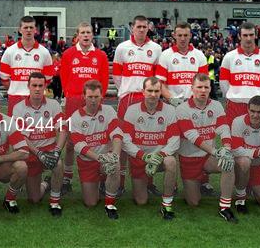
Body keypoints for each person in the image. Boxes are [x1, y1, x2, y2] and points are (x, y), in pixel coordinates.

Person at [176, 73, 237, 222]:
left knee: (228, 164)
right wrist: (216, 152)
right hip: (189, 158)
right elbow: (193, 137)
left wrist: (226, 148)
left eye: (206, 87)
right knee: (194, 202)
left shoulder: (216, 105)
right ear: (192, 88)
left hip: (208, 157)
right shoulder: (182, 109)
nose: (203, 90)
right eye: (199, 87)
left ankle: (225, 207)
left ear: (210, 89)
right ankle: (194, 184)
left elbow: (223, 128)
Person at [113, 15, 162, 195]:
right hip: (127, 98)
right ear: (132, 28)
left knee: (148, 139)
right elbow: (117, 76)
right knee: (123, 140)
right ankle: (120, 183)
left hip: (148, 99)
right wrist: (127, 90)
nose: (141, 30)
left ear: (148, 28)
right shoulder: (122, 47)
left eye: (144, 27)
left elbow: (157, 78)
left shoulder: (156, 49)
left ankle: (148, 182)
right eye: (138, 27)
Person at [60, 22, 109, 194]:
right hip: (74, 100)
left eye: (88, 32)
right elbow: (64, 76)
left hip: (94, 101)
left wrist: (97, 97)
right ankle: (67, 178)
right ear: (77, 35)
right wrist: (70, 93)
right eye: (83, 33)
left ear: (92, 35)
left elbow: (104, 78)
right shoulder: (68, 54)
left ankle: (103, 177)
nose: (86, 35)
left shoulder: (101, 55)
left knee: (98, 139)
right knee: (71, 142)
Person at [121, 77, 179, 220]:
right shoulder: (132, 110)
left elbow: (174, 140)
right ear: (143, 91)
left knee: (171, 161)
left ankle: (166, 204)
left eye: (156, 91)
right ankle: (143, 184)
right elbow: (126, 140)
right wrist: (144, 156)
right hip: (140, 159)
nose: (153, 94)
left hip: (160, 158)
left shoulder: (170, 110)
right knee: (141, 202)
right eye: (150, 91)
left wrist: (159, 155)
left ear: (161, 92)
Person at [11, 72, 67, 216]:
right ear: (28, 86)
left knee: (58, 164)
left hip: (49, 150)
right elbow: (22, 137)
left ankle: (55, 202)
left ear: (45, 87)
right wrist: (38, 153)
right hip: (31, 154)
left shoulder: (53, 104)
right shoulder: (19, 108)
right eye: (34, 85)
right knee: (34, 199)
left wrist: (57, 150)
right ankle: (45, 183)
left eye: (40, 86)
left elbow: (63, 129)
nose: (37, 89)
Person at [70, 80, 122, 219]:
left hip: (106, 158)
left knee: (115, 164)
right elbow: (79, 145)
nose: (93, 100)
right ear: (84, 96)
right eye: (90, 97)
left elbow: (116, 134)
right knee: (91, 203)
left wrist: (115, 155)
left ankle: (110, 204)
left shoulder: (109, 110)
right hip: (88, 162)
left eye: (96, 97)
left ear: (101, 97)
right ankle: (101, 182)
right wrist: (99, 158)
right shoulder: (75, 116)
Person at [0, 16, 53, 116]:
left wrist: (36, 91)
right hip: (15, 98)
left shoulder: (44, 52)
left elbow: (48, 79)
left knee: (36, 130)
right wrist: (16, 89)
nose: (28, 30)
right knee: (15, 130)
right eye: (25, 27)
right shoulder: (10, 51)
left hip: (37, 99)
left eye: (31, 27)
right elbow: (4, 78)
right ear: (20, 30)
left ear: (35, 30)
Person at [220, 22, 260, 121]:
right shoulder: (229, 56)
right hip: (234, 105)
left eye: (251, 35)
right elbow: (223, 82)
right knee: (233, 135)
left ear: (256, 36)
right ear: (239, 36)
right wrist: (233, 96)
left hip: (256, 105)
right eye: (245, 35)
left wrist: (257, 96)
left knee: (255, 135)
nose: (248, 38)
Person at [156, 22, 208, 106]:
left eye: (185, 35)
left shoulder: (199, 55)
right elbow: (159, 83)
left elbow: (204, 83)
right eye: (180, 35)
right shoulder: (165, 55)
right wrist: (172, 99)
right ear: (174, 35)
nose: (183, 39)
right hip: (171, 105)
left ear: (190, 35)